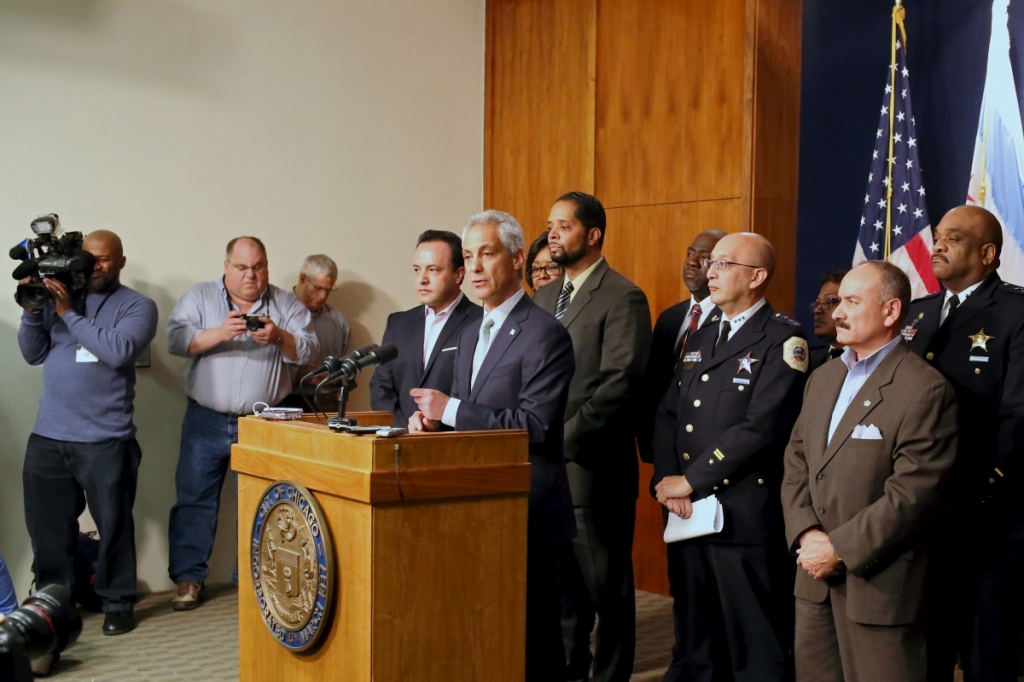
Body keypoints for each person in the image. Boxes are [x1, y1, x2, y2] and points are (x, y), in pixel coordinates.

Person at [407, 210, 576, 682]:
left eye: (487, 253)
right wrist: (434, 425)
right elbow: (463, 419)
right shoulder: (466, 332)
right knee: (482, 635)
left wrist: (451, 410)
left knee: (535, 643)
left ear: (518, 258)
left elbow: (535, 425)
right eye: (467, 256)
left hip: (527, 511)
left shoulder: (545, 334)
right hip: (475, 505)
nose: (475, 267)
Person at [782, 260, 958, 682]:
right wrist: (807, 535)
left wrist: (837, 549)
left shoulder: (925, 388)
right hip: (812, 581)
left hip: (879, 587)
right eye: (838, 300)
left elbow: (911, 496)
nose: (837, 312)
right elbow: (796, 462)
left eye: (851, 301)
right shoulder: (822, 378)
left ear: (891, 311)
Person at [651, 232, 808, 682]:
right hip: (686, 510)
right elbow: (668, 412)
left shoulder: (783, 339)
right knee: (695, 635)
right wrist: (668, 480)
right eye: (710, 263)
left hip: (742, 513)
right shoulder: (700, 335)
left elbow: (760, 427)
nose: (710, 271)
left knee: (753, 641)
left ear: (757, 277)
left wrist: (692, 481)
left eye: (724, 264)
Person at [532, 191, 651, 682]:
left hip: (590, 469)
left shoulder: (623, 296)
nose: (553, 233)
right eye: (551, 225)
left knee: (608, 592)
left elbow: (619, 383)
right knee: (561, 593)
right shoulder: (541, 297)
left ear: (593, 234)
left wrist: (562, 438)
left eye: (564, 225)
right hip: (543, 472)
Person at [18, 229, 158, 636]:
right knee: (48, 531)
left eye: (105, 258)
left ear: (121, 261)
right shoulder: (63, 296)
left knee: (114, 527)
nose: (96, 265)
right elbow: (33, 353)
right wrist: (33, 310)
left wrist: (68, 314)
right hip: (48, 436)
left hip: (105, 439)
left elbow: (117, 352)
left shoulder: (138, 305)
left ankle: (117, 603)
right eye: (89, 258)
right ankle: (53, 606)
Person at [905, 205, 1024, 682]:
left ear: (988, 253)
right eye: (937, 236)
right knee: (926, 641)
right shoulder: (918, 314)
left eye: (952, 239)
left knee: (984, 650)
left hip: (987, 511)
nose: (937, 245)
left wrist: (979, 483)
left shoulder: (1015, 312)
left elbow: (1018, 415)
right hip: (922, 508)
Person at [166, 236, 317, 611]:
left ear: (266, 266)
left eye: (259, 266)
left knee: (264, 505)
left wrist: (278, 336)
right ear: (226, 266)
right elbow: (173, 339)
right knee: (194, 501)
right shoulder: (200, 297)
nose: (251, 275)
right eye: (242, 267)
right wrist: (220, 333)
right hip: (205, 419)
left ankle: (254, 579)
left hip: (265, 422)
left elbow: (313, 350)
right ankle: (189, 579)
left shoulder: (285, 303)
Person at [369, 230, 482, 428]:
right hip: (400, 442)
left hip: (453, 445)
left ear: (459, 274)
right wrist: (406, 428)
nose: (422, 279)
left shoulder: (480, 322)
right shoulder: (398, 323)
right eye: (416, 269)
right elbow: (381, 387)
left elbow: (480, 397)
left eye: (433, 270)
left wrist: (438, 426)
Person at [638, 229, 725, 464]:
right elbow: (653, 386)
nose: (692, 262)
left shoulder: (729, 320)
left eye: (705, 258)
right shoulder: (670, 318)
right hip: (665, 450)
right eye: (690, 253)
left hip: (706, 455)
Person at [282, 254, 351, 411]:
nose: (323, 296)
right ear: (302, 278)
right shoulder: (279, 314)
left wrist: (334, 379)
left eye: (328, 290)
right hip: (290, 404)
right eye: (318, 288)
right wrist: (298, 374)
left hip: (331, 404)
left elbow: (351, 362)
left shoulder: (338, 319)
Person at [809, 268, 848, 371]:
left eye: (829, 301)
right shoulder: (808, 363)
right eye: (818, 303)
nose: (817, 310)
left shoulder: (871, 361)